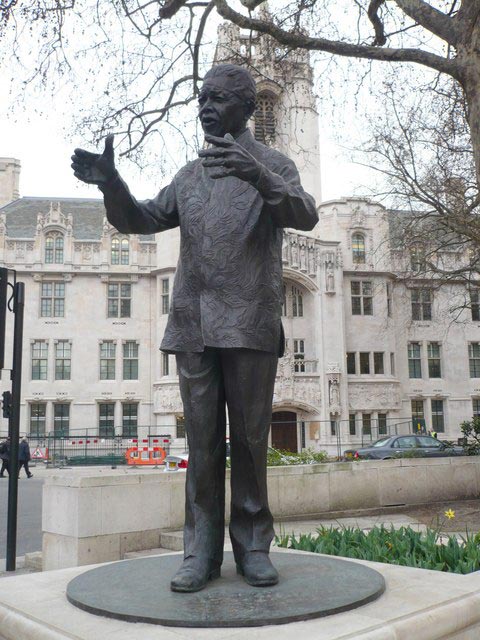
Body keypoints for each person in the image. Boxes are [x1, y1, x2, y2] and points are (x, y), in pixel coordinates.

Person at [71, 63, 318, 593]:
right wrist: (112, 183)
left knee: (251, 443)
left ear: (248, 108)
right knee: (203, 446)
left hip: (250, 323)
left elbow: (305, 215)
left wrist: (258, 175)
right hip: (194, 326)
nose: (206, 108)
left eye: (219, 99)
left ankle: (252, 546)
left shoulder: (274, 165)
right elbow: (138, 218)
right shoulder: (189, 176)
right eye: (202, 99)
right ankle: (200, 551)